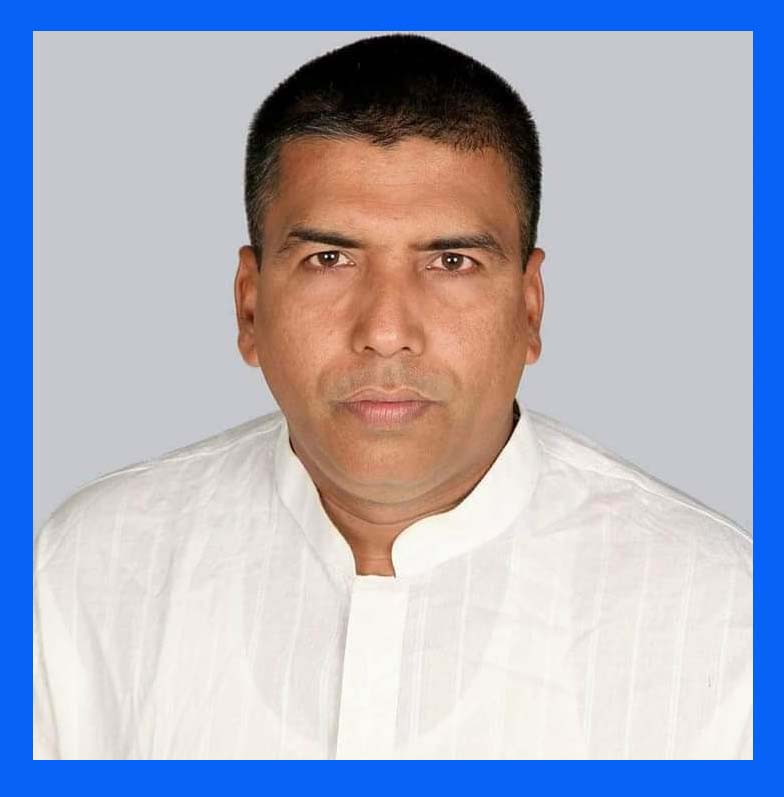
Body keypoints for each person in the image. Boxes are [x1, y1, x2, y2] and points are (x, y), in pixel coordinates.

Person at [33, 33, 751, 760]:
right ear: (250, 306)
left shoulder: (726, 612)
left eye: (451, 261)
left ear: (530, 308)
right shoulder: (90, 567)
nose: (384, 332)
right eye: (330, 258)